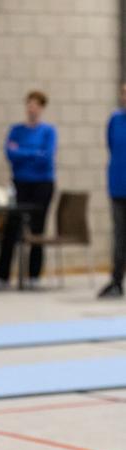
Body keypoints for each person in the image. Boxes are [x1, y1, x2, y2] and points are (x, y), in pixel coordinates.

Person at [0, 90, 57, 290]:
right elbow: (11, 153)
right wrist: (33, 153)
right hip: (20, 184)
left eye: (35, 105)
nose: (31, 108)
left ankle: (34, 275)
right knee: (11, 227)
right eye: (29, 104)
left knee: (37, 229)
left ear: (41, 108)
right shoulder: (16, 130)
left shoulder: (48, 131)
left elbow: (46, 157)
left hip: (42, 185)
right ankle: (2, 276)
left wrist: (23, 153)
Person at [98, 83, 126, 298]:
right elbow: (111, 147)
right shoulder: (114, 120)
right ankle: (116, 281)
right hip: (118, 187)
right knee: (119, 237)